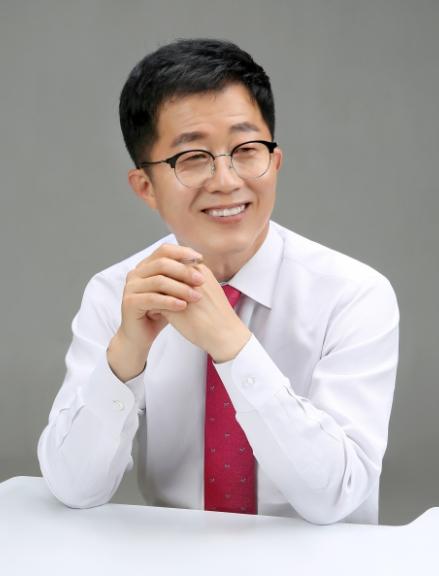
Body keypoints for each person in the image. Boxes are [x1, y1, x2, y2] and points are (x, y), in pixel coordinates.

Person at [38, 38, 399, 525]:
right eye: (192, 157)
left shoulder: (353, 295)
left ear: (275, 162)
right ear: (146, 187)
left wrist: (231, 345)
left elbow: (338, 495)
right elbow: (74, 488)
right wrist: (125, 355)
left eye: (246, 150)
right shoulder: (118, 293)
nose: (226, 181)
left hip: (322, 557)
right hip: (175, 556)